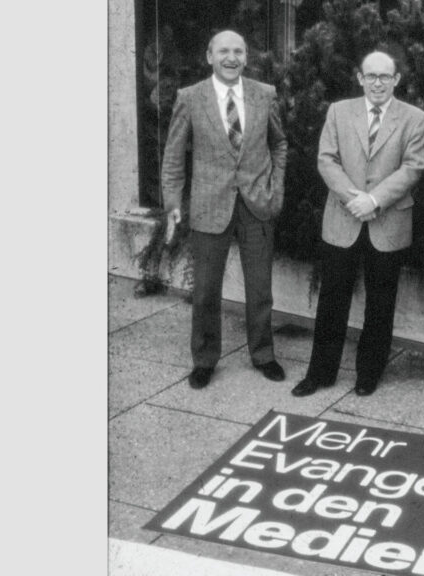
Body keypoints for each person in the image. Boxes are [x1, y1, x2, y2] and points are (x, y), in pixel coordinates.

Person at [291, 51, 424, 398]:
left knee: (381, 303)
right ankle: (320, 373)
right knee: (332, 300)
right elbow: (326, 159)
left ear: (397, 79)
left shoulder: (414, 118)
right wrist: (354, 198)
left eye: (385, 76)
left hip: (388, 222)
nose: (378, 83)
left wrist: (375, 200)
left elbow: (413, 168)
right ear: (360, 78)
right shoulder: (339, 111)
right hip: (344, 217)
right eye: (371, 76)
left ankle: (369, 374)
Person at [160, 30, 288, 389]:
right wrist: (172, 202)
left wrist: (275, 190)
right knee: (205, 291)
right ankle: (204, 359)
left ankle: (263, 355)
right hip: (209, 205)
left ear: (246, 57)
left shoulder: (265, 95)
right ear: (209, 56)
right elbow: (173, 156)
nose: (231, 58)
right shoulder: (190, 98)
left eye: (238, 51)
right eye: (223, 52)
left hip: (256, 205)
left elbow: (279, 144)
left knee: (260, 288)